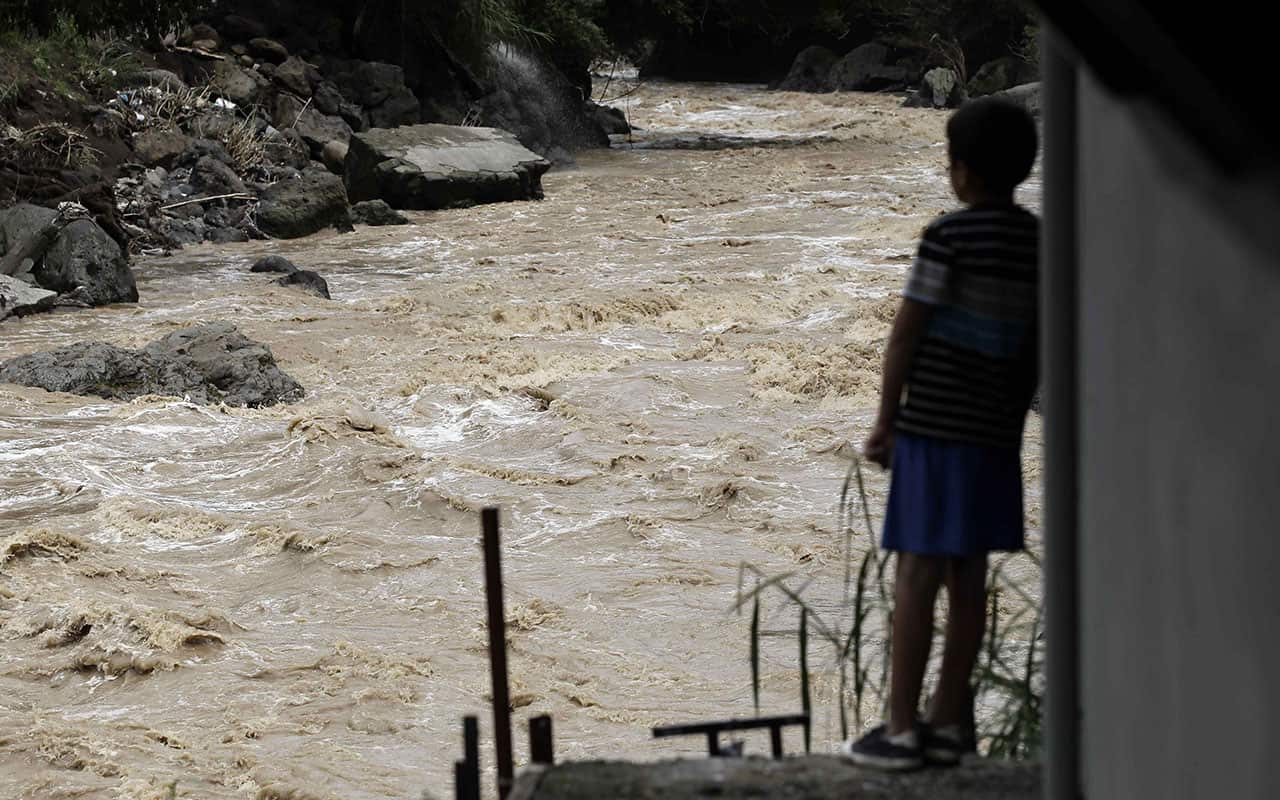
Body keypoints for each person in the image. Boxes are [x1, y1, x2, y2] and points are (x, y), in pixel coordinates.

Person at [842, 97, 1040, 770]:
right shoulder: (1036, 242)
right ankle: (950, 721)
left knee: (916, 575)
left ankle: (900, 729)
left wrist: (885, 419)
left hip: (932, 430)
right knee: (968, 579)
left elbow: (905, 333)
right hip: (994, 437)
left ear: (961, 173)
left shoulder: (947, 238)